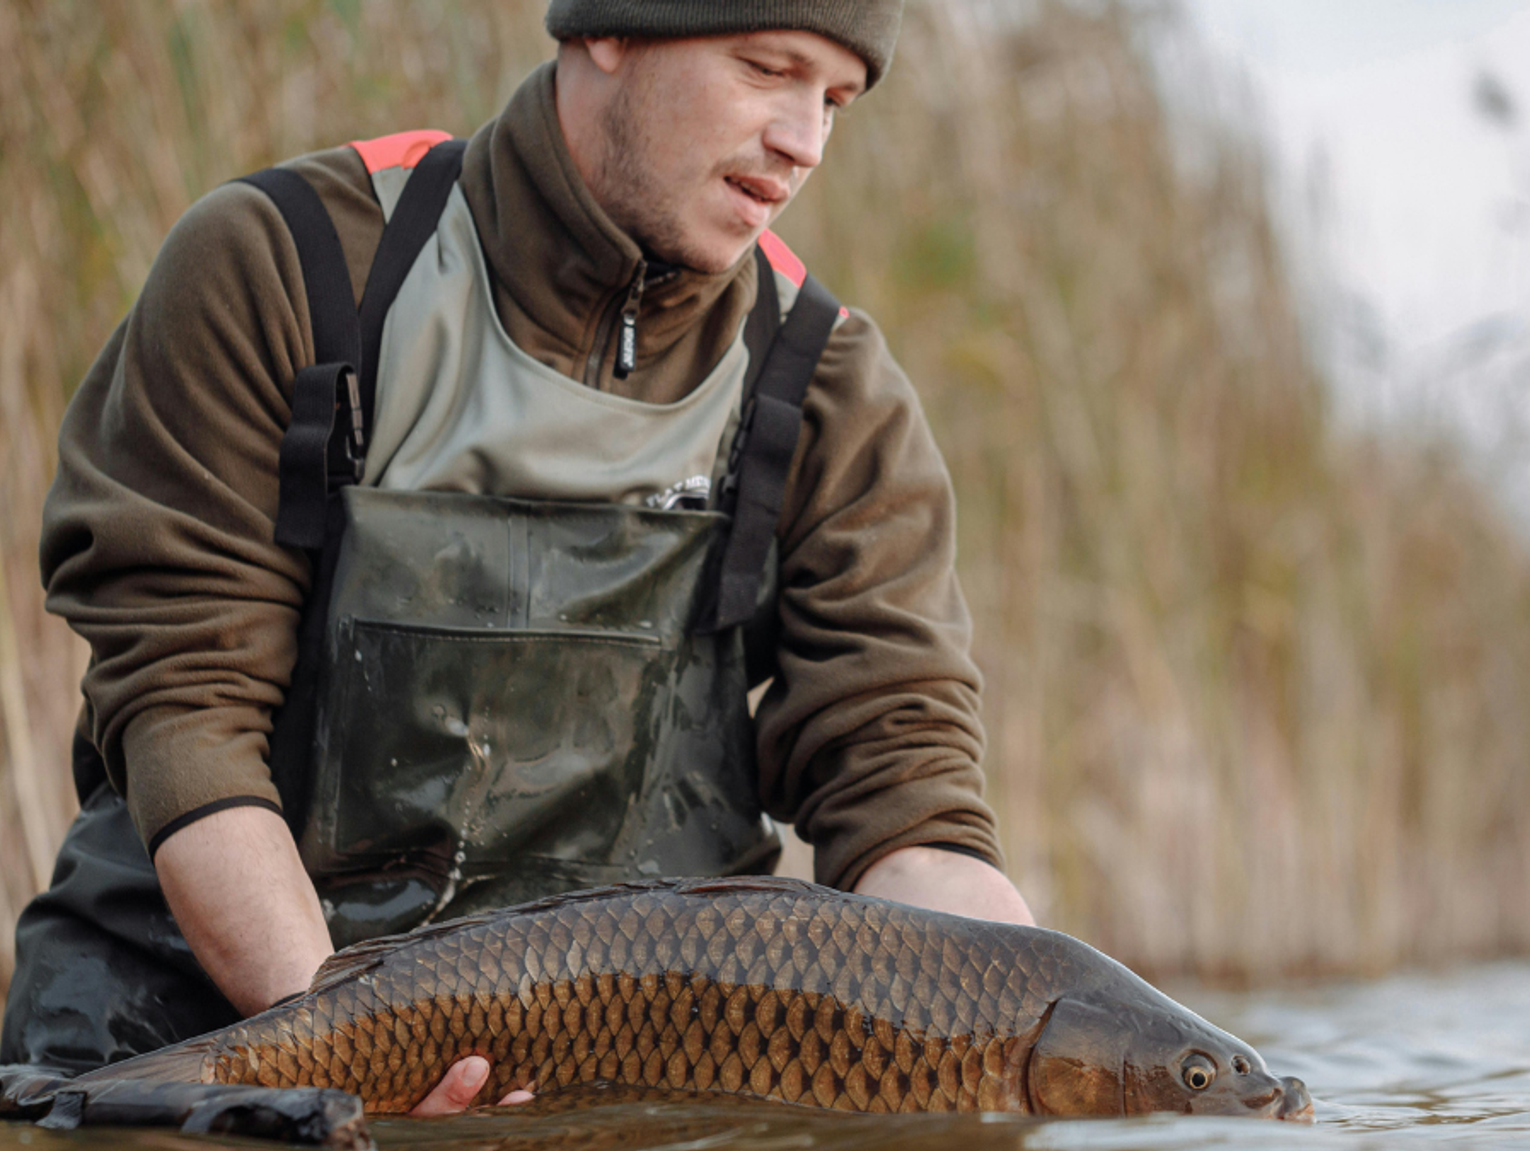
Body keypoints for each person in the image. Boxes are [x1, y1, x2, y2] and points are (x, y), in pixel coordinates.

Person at [1, 0, 1032, 1114]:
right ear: (610, 31)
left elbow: (907, 794)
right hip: (196, 1042)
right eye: (765, 68)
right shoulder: (286, 262)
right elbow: (186, 715)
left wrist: (1033, 1027)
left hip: (611, 1088)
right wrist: (356, 1059)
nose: (805, 139)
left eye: (835, 99)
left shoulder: (829, 382)